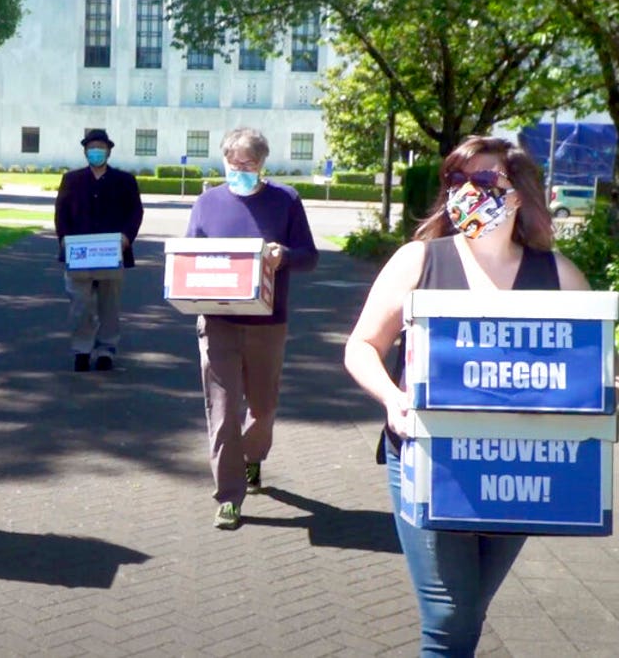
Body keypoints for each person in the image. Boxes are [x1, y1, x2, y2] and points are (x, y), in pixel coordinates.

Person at [343, 136, 591, 655]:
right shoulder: (419, 262)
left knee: (470, 609)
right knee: (449, 614)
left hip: (521, 468)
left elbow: (589, 373)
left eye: (484, 181)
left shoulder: (559, 277)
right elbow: (362, 346)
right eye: (456, 181)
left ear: (518, 194)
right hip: (430, 459)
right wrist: (393, 399)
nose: (467, 192)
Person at [184, 127, 319, 530]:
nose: (240, 170)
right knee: (223, 412)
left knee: (262, 409)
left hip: (267, 323)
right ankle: (229, 496)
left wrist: (285, 255)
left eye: (249, 164)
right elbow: (189, 257)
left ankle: (252, 458)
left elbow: (310, 256)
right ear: (223, 160)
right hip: (218, 322)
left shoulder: (286, 201)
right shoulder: (207, 203)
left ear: (263, 164)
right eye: (233, 163)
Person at [54, 128, 144, 372]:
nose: (96, 152)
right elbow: (61, 213)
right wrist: (63, 238)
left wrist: (127, 237)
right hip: (78, 254)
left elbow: (135, 211)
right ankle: (82, 349)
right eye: (92, 148)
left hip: (111, 253)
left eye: (100, 148)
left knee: (109, 306)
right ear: (85, 151)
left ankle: (106, 350)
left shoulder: (124, 181)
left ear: (108, 151)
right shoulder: (72, 180)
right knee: (79, 305)